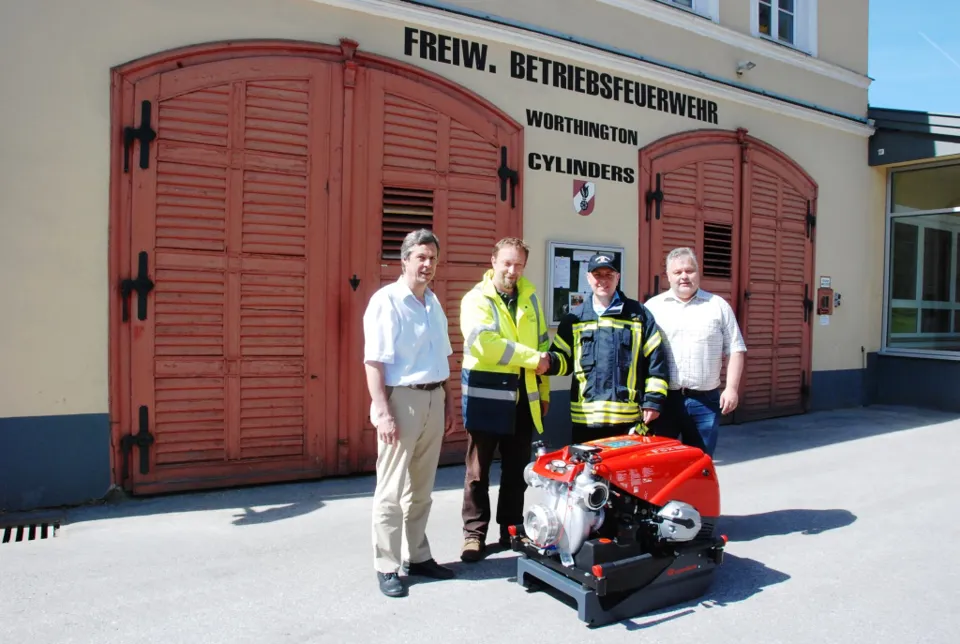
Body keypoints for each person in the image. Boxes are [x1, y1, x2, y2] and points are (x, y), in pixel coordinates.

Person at [362, 229, 457, 598]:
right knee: (390, 489)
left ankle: (416, 556)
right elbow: (374, 362)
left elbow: (441, 359)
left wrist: (447, 404)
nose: (427, 264)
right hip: (402, 401)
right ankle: (386, 564)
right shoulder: (386, 301)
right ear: (404, 260)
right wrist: (382, 413)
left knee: (421, 488)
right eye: (420, 257)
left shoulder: (433, 303)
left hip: (433, 398)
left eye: (432, 258)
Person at [458, 237, 552, 563]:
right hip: (487, 396)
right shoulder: (475, 299)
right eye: (507, 263)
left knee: (516, 473)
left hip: (523, 399)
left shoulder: (530, 299)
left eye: (519, 265)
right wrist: (531, 359)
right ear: (494, 260)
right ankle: (474, 535)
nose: (512, 270)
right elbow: (485, 344)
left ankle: (511, 529)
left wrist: (545, 393)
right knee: (477, 473)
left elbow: (543, 342)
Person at [544, 253, 669, 443]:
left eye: (609, 275)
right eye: (597, 275)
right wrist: (548, 362)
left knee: (627, 473)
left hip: (628, 423)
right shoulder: (574, 319)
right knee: (588, 473)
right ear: (588, 278)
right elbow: (564, 360)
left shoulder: (638, 315)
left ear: (618, 277)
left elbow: (656, 362)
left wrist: (653, 402)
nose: (603, 280)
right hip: (585, 422)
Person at [644, 247, 747, 457]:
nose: (684, 276)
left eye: (689, 270)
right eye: (677, 272)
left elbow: (736, 349)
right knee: (661, 463)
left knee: (700, 464)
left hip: (705, 402)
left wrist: (732, 389)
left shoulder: (718, 306)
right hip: (664, 401)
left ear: (698, 272)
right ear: (668, 276)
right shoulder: (653, 308)